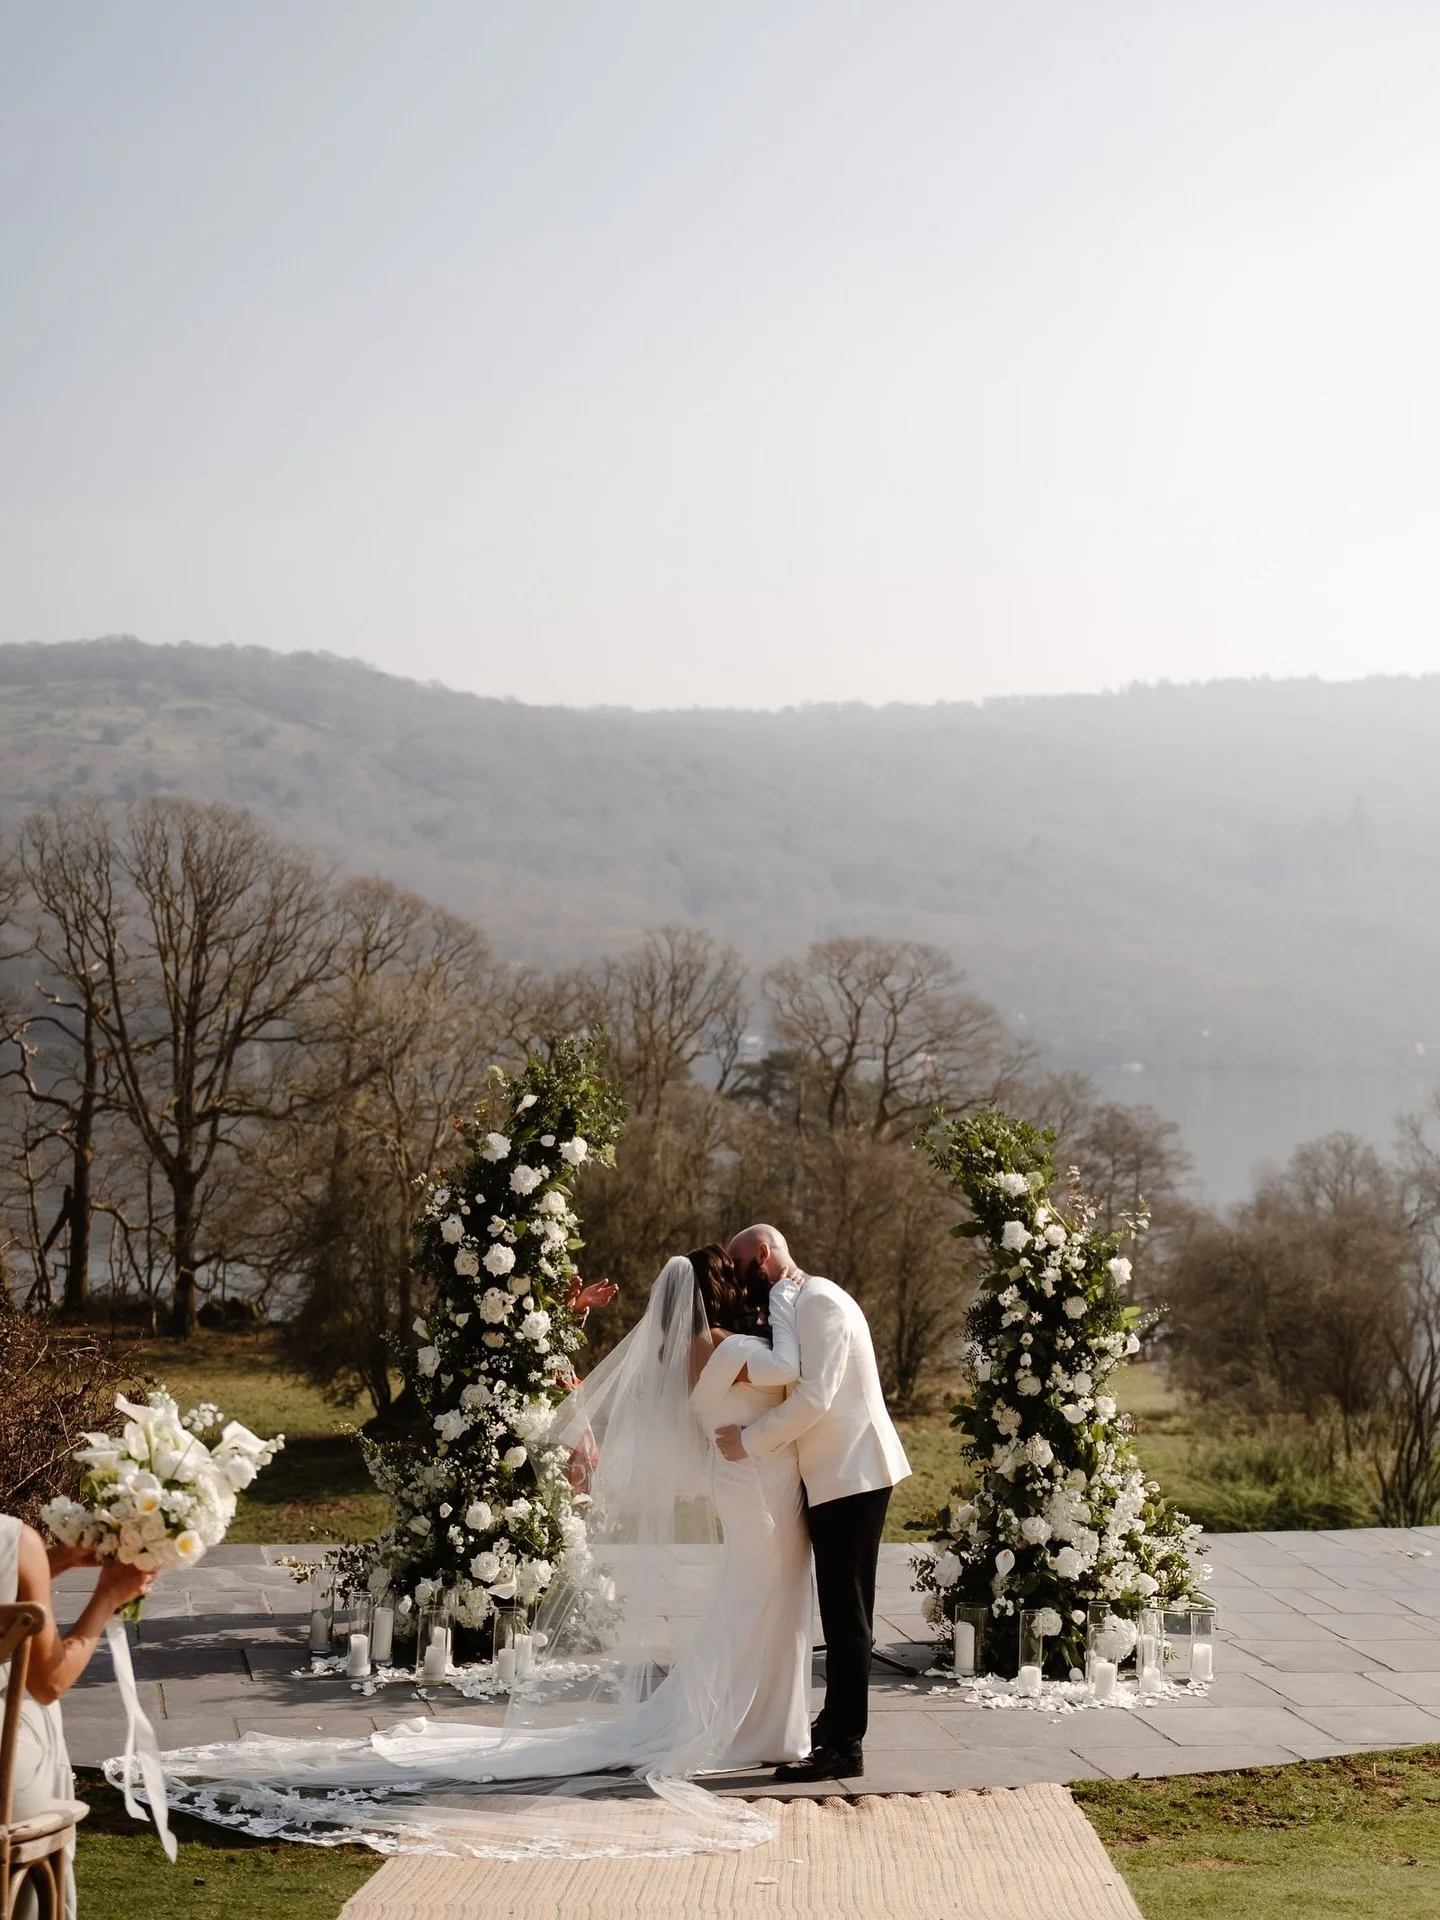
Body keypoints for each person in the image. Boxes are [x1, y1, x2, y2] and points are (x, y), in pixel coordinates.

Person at [137, 1246, 813, 1859]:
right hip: (753, 1489)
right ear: (713, 1294)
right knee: (753, 1601)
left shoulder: (689, 1353)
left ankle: (756, 1721)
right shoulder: (724, 1346)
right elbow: (788, 1369)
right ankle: (748, 1724)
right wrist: (789, 1296)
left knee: (750, 1602)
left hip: (744, 1487)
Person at [716, 1223, 911, 1781]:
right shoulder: (796, 1302)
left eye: (740, 1269)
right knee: (842, 1607)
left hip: (853, 1472)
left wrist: (750, 1440)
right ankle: (835, 1722)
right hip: (835, 1475)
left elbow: (816, 1395)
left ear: (762, 1254)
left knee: (847, 1612)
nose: (738, 1282)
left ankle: (846, 1747)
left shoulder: (819, 1300)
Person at [0, 1514, 153, 1920]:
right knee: (36, 1710)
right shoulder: (13, 1539)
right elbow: (50, 1682)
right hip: (5, 1777)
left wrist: (56, 1559)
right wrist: (108, 1595)